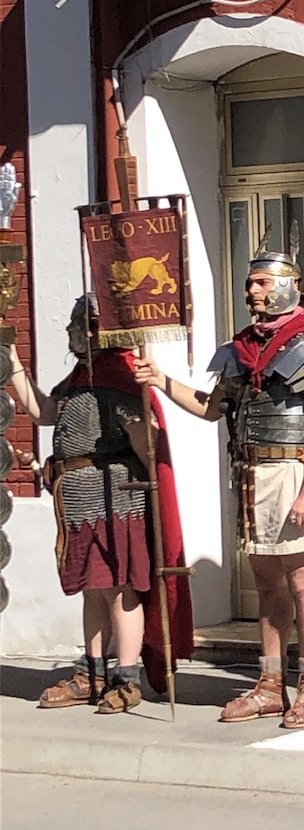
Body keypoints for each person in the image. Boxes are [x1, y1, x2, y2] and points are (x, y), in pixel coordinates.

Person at [136, 243, 304, 729]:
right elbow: (211, 407)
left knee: (303, 581)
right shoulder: (243, 348)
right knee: (267, 584)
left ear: (288, 285)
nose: (251, 292)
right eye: (249, 284)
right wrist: (160, 380)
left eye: (261, 283)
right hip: (251, 474)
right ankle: (270, 685)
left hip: (294, 473)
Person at [9, 294, 192, 713]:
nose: (77, 332)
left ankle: (126, 677)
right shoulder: (80, 377)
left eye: (86, 325)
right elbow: (44, 411)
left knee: (120, 590)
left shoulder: (120, 375)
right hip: (80, 499)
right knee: (93, 590)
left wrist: (146, 435)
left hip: (118, 498)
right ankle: (92, 673)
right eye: (75, 324)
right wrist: (12, 360)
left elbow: (147, 447)